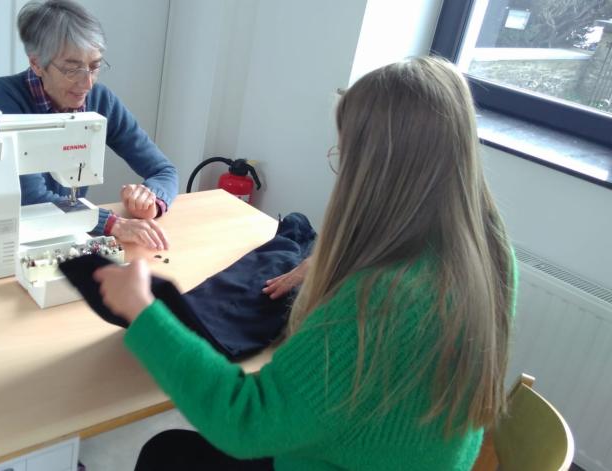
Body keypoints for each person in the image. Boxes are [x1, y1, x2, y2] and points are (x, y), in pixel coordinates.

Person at [91, 56, 517, 470]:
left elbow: (245, 423)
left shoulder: (377, 300)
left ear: (376, 169)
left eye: (346, 153)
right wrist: (336, 264)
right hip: (418, 457)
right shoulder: (487, 251)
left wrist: (144, 312)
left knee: (166, 454)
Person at [0, 0, 177, 251]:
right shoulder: (2, 96)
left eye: (94, 67)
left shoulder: (100, 100)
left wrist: (151, 199)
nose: (87, 84)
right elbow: (29, 199)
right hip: (9, 236)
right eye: (72, 70)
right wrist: (111, 223)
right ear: (37, 64)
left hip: (69, 230)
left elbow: (164, 170)